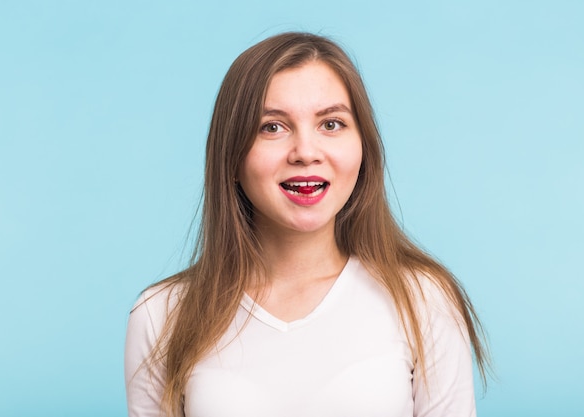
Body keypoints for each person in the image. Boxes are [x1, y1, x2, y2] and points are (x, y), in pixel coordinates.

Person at [124, 32, 490, 417]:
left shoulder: (424, 300)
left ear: (363, 149)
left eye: (331, 124)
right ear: (230, 157)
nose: (306, 153)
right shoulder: (161, 314)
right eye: (272, 127)